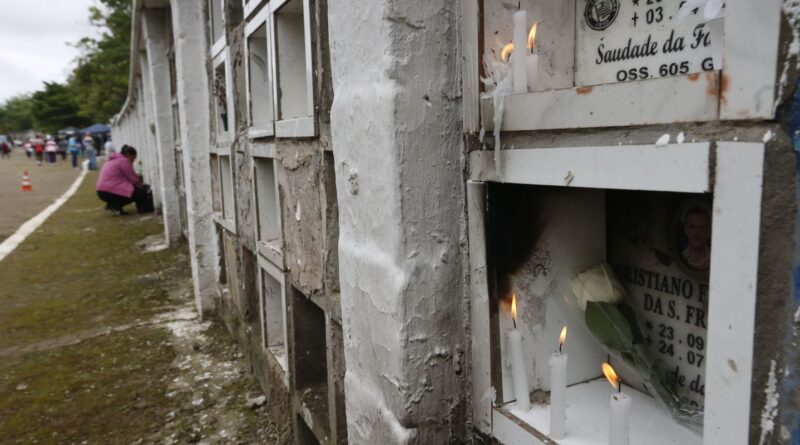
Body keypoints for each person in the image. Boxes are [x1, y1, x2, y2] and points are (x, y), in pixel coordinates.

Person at [96, 146, 152, 215]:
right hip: (110, 190)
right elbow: (133, 178)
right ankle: (115, 206)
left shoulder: (113, 160)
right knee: (141, 192)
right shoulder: (124, 161)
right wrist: (142, 186)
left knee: (133, 191)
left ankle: (113, 206)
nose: (133, 161)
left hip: (101, 191)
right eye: (133, 158)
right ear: (128, 155)